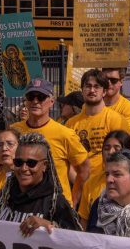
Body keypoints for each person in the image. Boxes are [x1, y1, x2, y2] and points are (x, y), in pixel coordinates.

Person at [0, 132, 80, 235]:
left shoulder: (55, 202)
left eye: (31, 163)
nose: (24, 168)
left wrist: (50, 226)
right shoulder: (5, 195)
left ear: (45, 165)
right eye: (18, 162)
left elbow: (77, 240)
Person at [10, 78, 89, 207]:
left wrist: (73, 201)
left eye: (41, 97)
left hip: (54, 207)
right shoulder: (14, 130)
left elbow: (84, 167)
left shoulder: (64, 133)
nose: (35, 101)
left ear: (51, 102)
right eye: (31, 97)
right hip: (21, 203)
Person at [66, 69, 128, 202]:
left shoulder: (116, 120)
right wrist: (80, 179)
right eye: (88, 86)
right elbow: (68, 160)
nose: (92, 90)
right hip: (78, 189)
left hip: (107, 187)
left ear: (104, 92)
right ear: (82, 90)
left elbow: (125, 157)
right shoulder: (71, 123)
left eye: (97, 86)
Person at [77, 130, 130, 226]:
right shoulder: (91, 183)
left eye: (117, 148)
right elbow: (85, 222)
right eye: (107, 148)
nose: (111, 152)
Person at [101, 67, 130, 134]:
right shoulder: (92, 104)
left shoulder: (129, 108)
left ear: (121, 82)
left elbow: (124, 137)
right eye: (105, 79)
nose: (108, 83)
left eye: (113, 80)